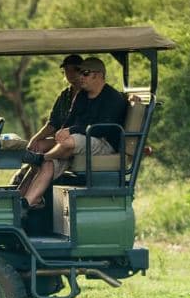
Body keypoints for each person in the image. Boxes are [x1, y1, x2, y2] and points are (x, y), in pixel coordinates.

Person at [20, 57, 127, 211]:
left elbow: (101, 129)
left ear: (97, 75)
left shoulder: (113, 98)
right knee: (50, 159)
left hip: (103, 143)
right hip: (78, 143)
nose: (80, 76)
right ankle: (27, 202)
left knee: (69, 141)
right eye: (80, 72)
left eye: (84, 73)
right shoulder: (81, 95)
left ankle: (43, 157)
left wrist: (70, 131)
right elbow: (69, 121)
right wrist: (62, 132)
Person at [14, 54, 83, 193]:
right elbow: (52, 123)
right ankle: (23, 189)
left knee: (43, 156)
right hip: (61, 139)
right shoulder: (65, 95)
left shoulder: (88, 94)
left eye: (74, 70)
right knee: (37, 146)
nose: (70, 74)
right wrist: (35, 139)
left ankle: (25, 189)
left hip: (76, 140)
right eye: (66, 70)